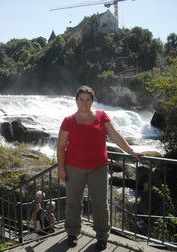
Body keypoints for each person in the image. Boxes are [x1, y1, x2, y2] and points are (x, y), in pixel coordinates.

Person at [57, 86, 142, 250]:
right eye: (81, 99)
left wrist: (130, 151)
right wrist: (62, 169)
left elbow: (115, 135)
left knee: (100, 204)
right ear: (76, 101)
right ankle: (72, 233)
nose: (84, 102)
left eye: (87, 99)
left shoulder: (101, 116)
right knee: (74, 202)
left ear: (92, 101)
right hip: (74, 167)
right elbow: (61, 146)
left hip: (99, 168)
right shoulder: (68, 121)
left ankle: (102, 236)